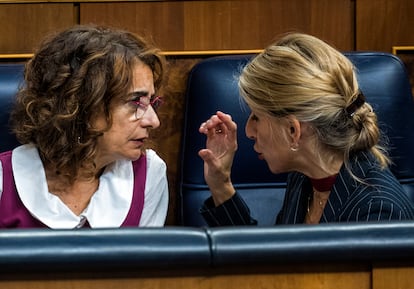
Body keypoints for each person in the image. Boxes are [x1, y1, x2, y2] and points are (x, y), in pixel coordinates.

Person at [198, 33, 414, 226]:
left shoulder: (379, 213)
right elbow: (272, 263)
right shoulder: (305, 178)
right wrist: (220, 184)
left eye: (256, 117)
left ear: (293, 130)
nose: (248, 132)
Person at [0, 25, 169, 228]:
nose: (153, 121)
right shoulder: (3, 180)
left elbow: (144, 259)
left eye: (151, 102)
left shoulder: (149, 173)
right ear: (81, 105)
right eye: (135, 102)